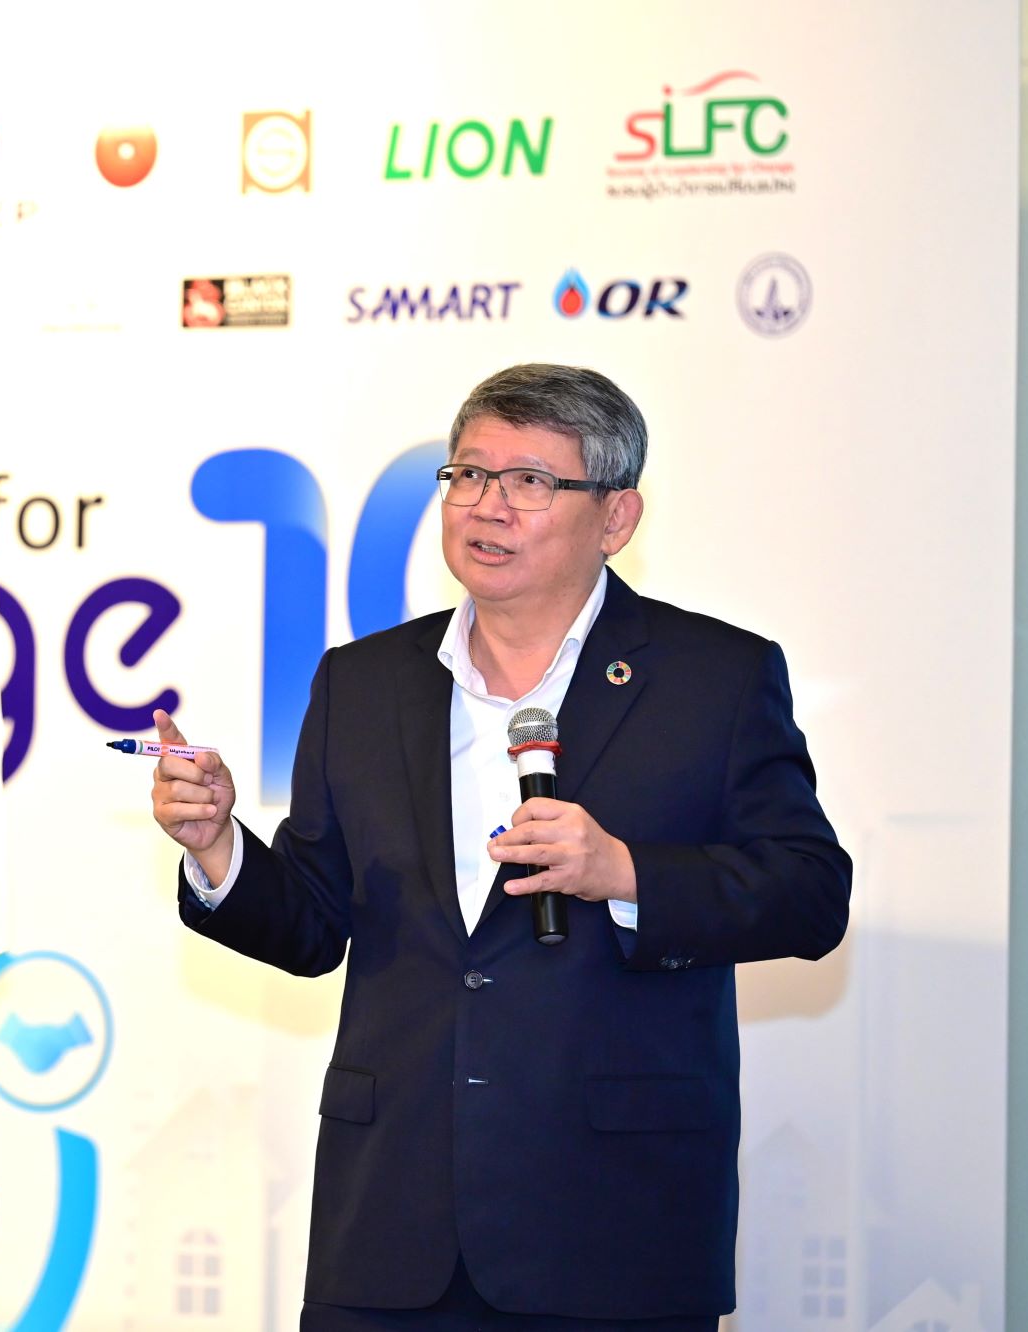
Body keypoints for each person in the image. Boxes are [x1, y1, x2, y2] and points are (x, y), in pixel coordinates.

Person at [148, 364, 850, 1331]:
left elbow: (811, 894)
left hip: (613, 1226)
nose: (488, 505)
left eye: (530, 481)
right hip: (390, 1226)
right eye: (469, 474)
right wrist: (220, 847)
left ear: (616, 517)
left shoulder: (715, 678)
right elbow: (313, 923)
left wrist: (624, 873)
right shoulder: (363, 683)